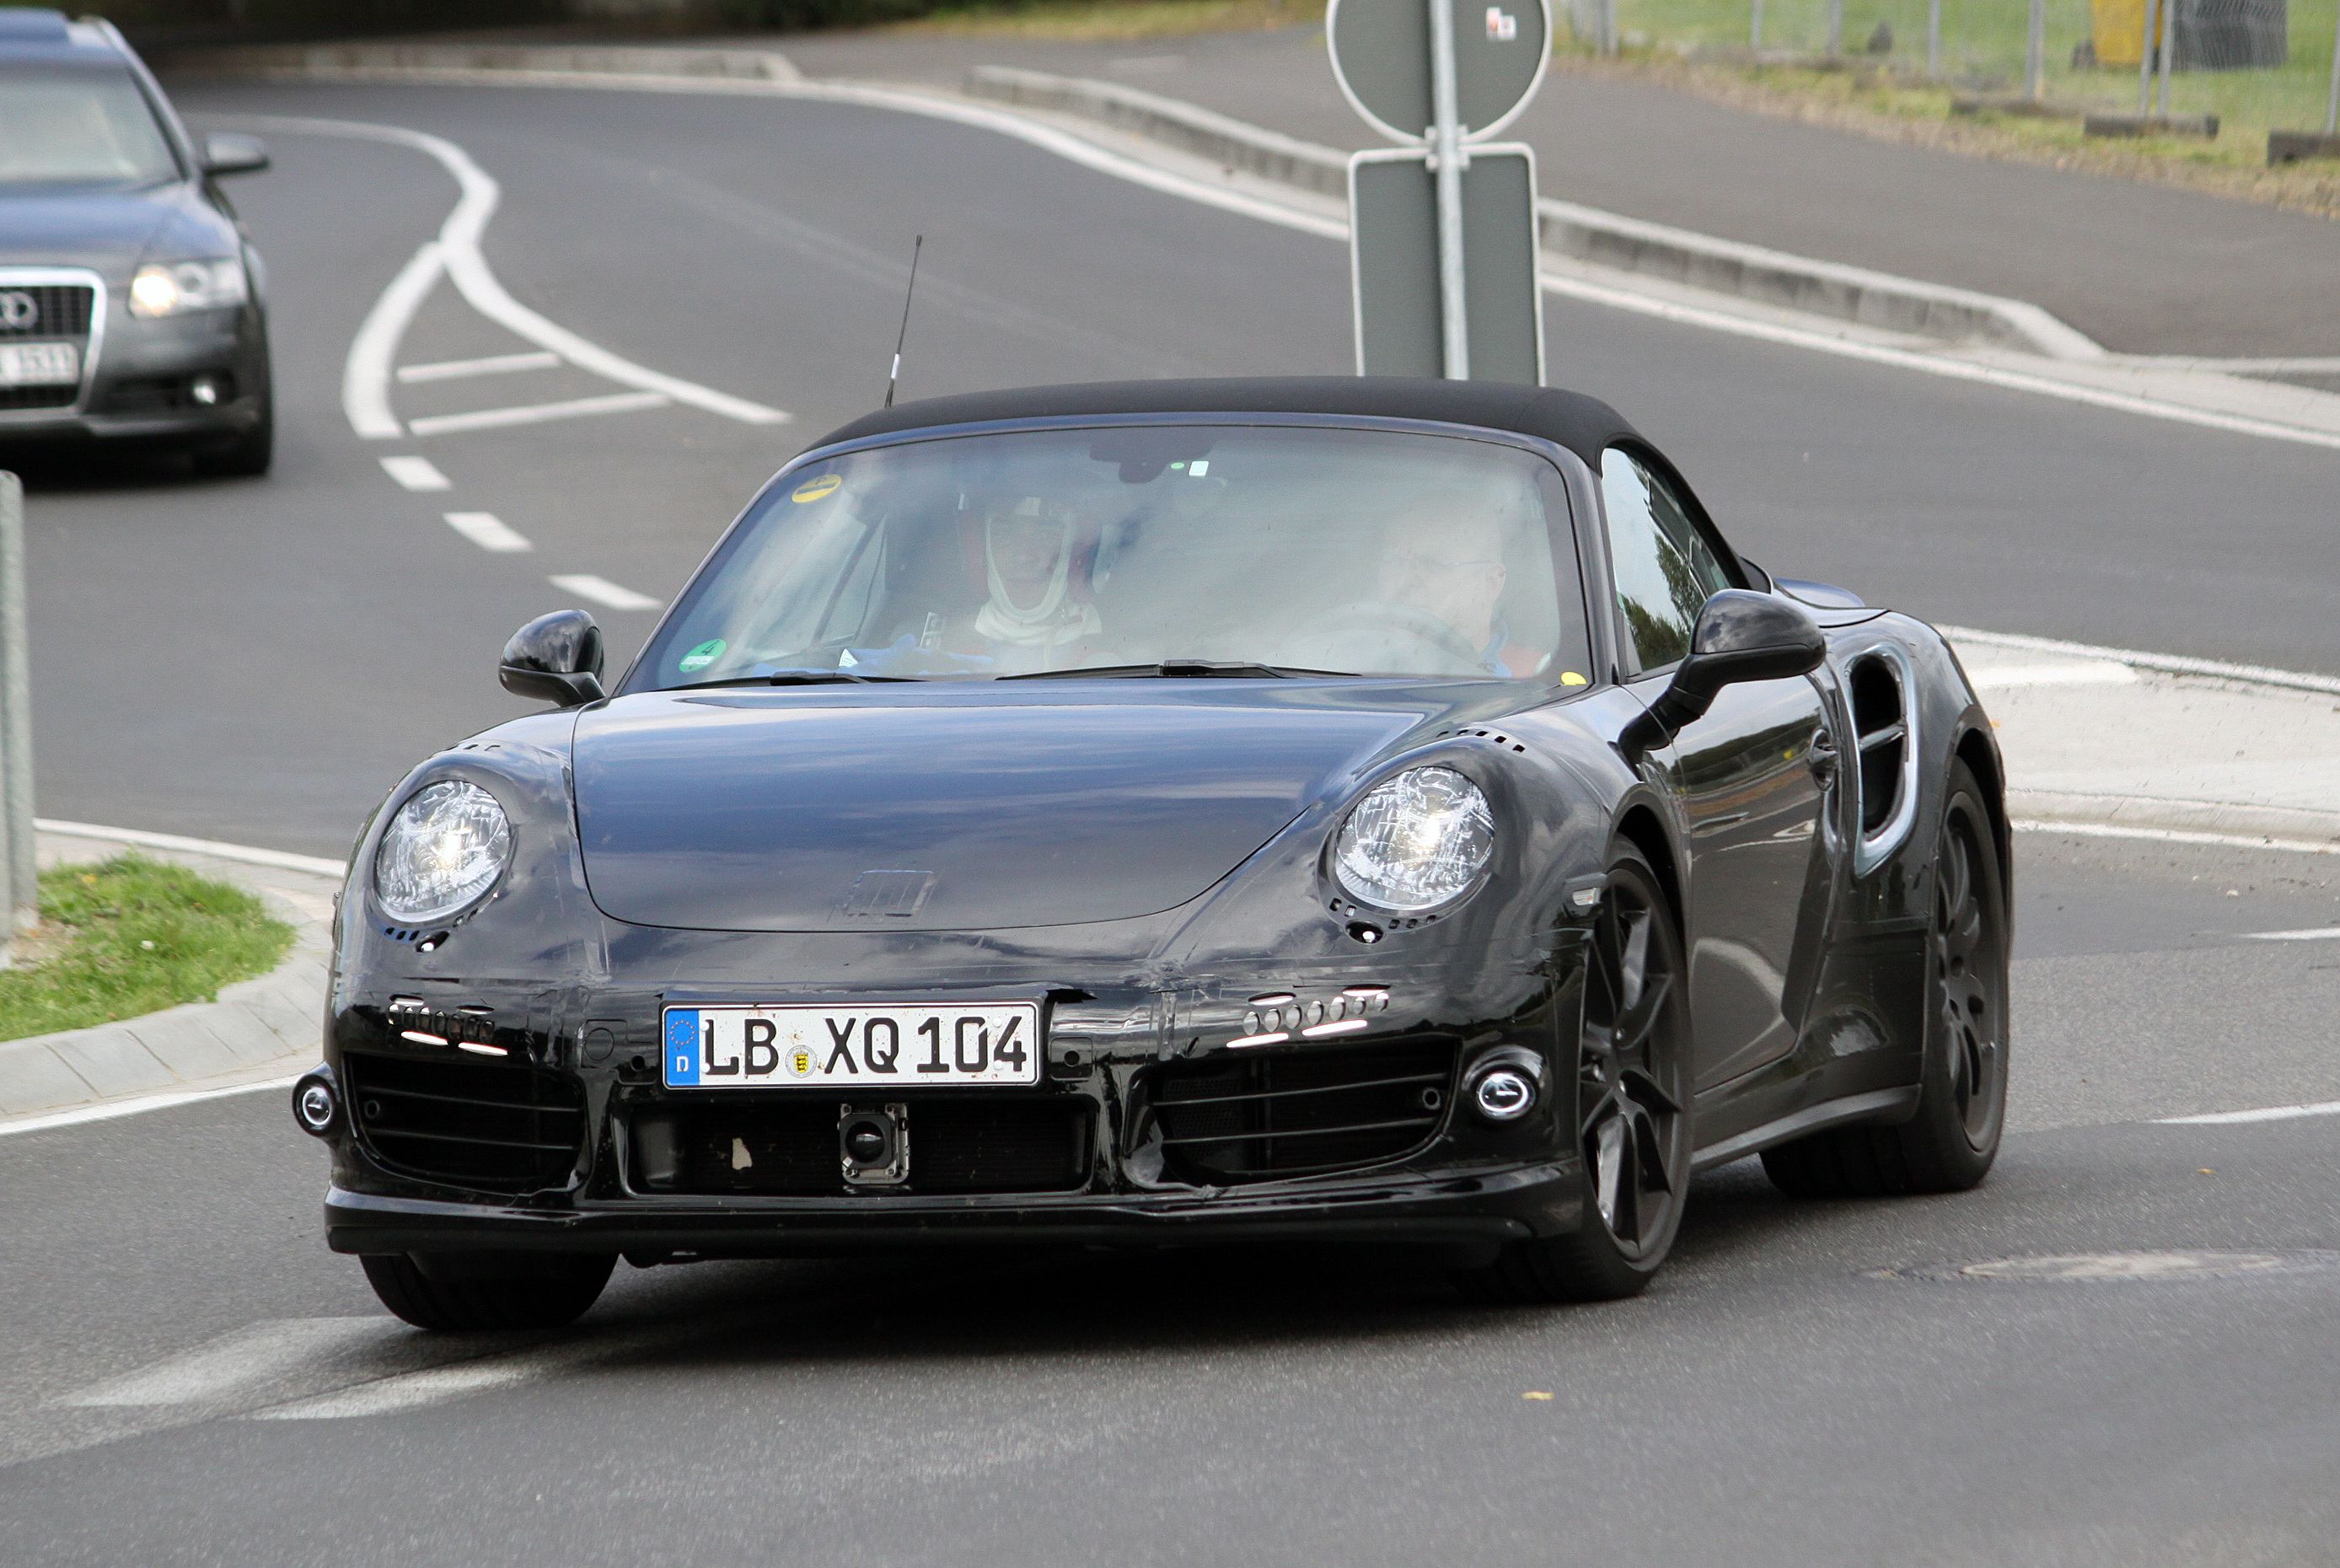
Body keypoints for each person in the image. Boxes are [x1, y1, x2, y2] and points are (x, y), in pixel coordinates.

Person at [1374, 502, 1549, 678]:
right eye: (1395, 561)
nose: (1406, 580)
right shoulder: (1352, 663)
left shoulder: (1534, 680)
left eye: (1433, 564)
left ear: (1490, 583)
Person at [950, 495, 1103, 674]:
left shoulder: (1116, 656)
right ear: (984, 552)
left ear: (1072, 554)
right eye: (1005, 534)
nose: (1023, 556)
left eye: (1045, 535)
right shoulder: (949, 653)